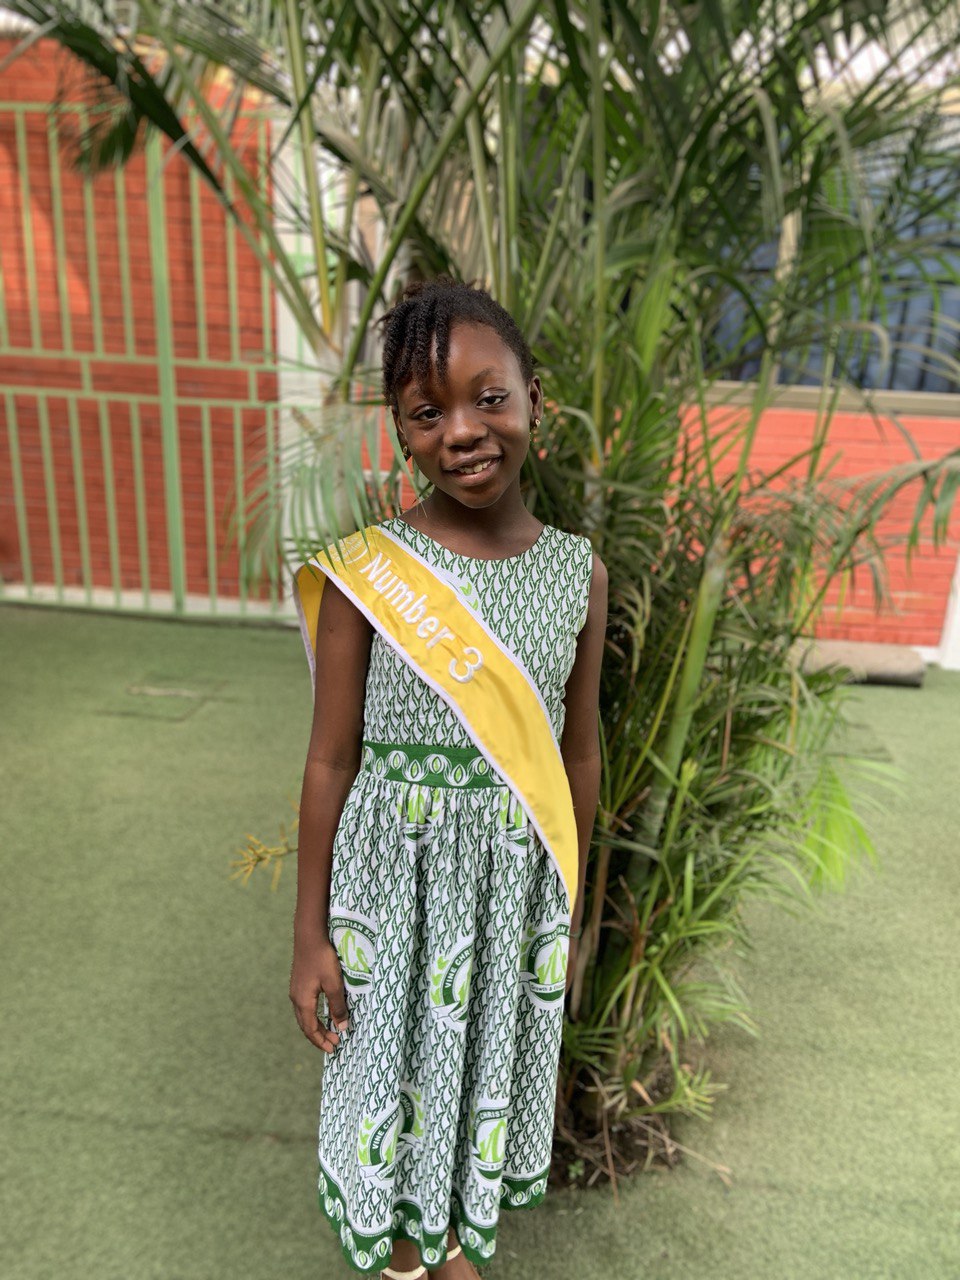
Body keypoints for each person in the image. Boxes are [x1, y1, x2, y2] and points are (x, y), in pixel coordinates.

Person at [289, 276, 608, 1279]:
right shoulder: (368, 572)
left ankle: (447, 1246)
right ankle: (407, 1258)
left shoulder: (579, 573)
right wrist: (308, 933)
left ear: (533, 401)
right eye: (428, 413)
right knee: (384, 1080)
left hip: (512, 889)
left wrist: (569, 902)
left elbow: (579, 752)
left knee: (472, 1081)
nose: (463, 431)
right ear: (401, 430)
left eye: (489, 398)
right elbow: (330, 756)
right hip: (392, 887)